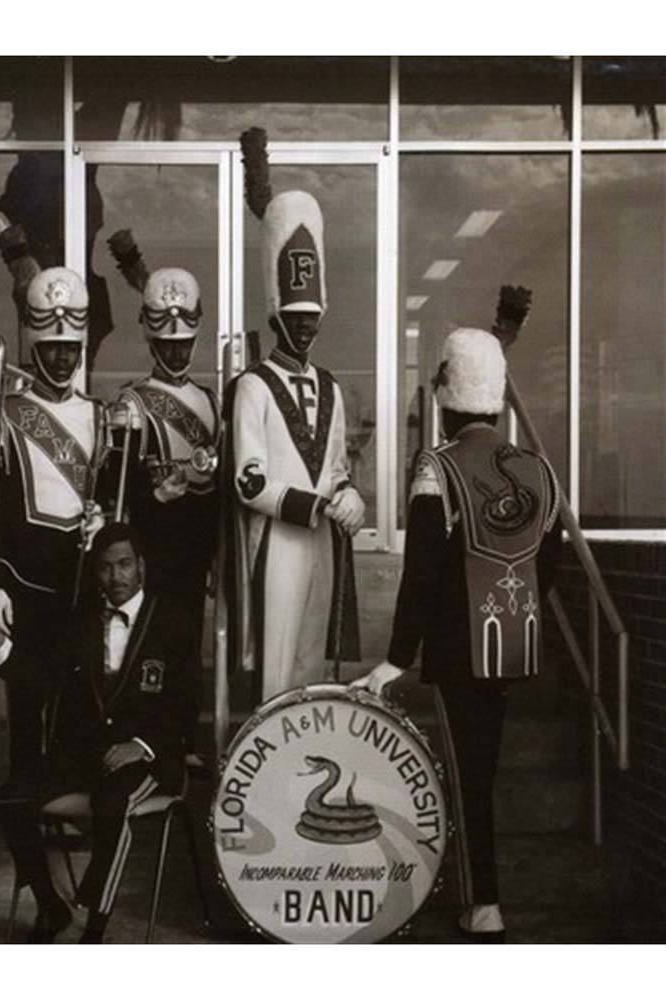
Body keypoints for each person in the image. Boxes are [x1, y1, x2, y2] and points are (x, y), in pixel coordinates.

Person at [352, 327, 561, 943]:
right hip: (514, 644)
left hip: (459, 649)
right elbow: (548, 568)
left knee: (468, 775)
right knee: (480, 768)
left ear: (446, 398)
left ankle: (483, 903)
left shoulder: (436, 468)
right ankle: (477, 893)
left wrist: (397, 657)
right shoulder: (539, 469)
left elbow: (420, 573)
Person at [0, 523, 190, 943]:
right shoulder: (81, 622)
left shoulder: (172, 621)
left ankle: (95, 931)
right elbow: (43, 680)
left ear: (141, 566)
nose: (115, 577)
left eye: (124, 565)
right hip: (86, 754)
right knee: (12, 796)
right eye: (104, 567)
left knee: (113, 801)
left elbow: (186, 705)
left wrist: (142, 745)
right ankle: (51, 906)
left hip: (148, 758)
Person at [229, 190, 364, 699]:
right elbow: (249, 480)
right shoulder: (253, 385)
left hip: (323, 537)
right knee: (277, 662)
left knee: (313, 654)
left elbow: (336, 467)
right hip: (278, 537)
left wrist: (349, 494)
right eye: (295, 316)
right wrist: (314, 504)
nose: (305, 325)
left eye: (312, 316)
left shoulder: (331, 386)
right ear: (276, 317)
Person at [0, 267, 106, 779]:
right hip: (25, 584)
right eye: (52, 347)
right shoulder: (6, 413)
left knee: (79, 702)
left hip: (82, 582)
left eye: (70, 349)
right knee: (27, 703)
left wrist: (104, 520)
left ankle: (67, 801)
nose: (62, 358)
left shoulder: (101, 415)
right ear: (35, 346)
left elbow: (112, 495)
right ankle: (26, 804)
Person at [111, 267, 220, 763]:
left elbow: (217, 488)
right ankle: (144, 745)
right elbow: (117, 493)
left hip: (194, 551)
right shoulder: (132, 404)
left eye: (184, 344)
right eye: (167, 344)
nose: (177, 352)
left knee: (187, 651)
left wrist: (217, 553)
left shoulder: (210, 402)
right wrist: (154, 496)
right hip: (150, 551)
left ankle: (183, 743)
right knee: (145, 652)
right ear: (151, 341)